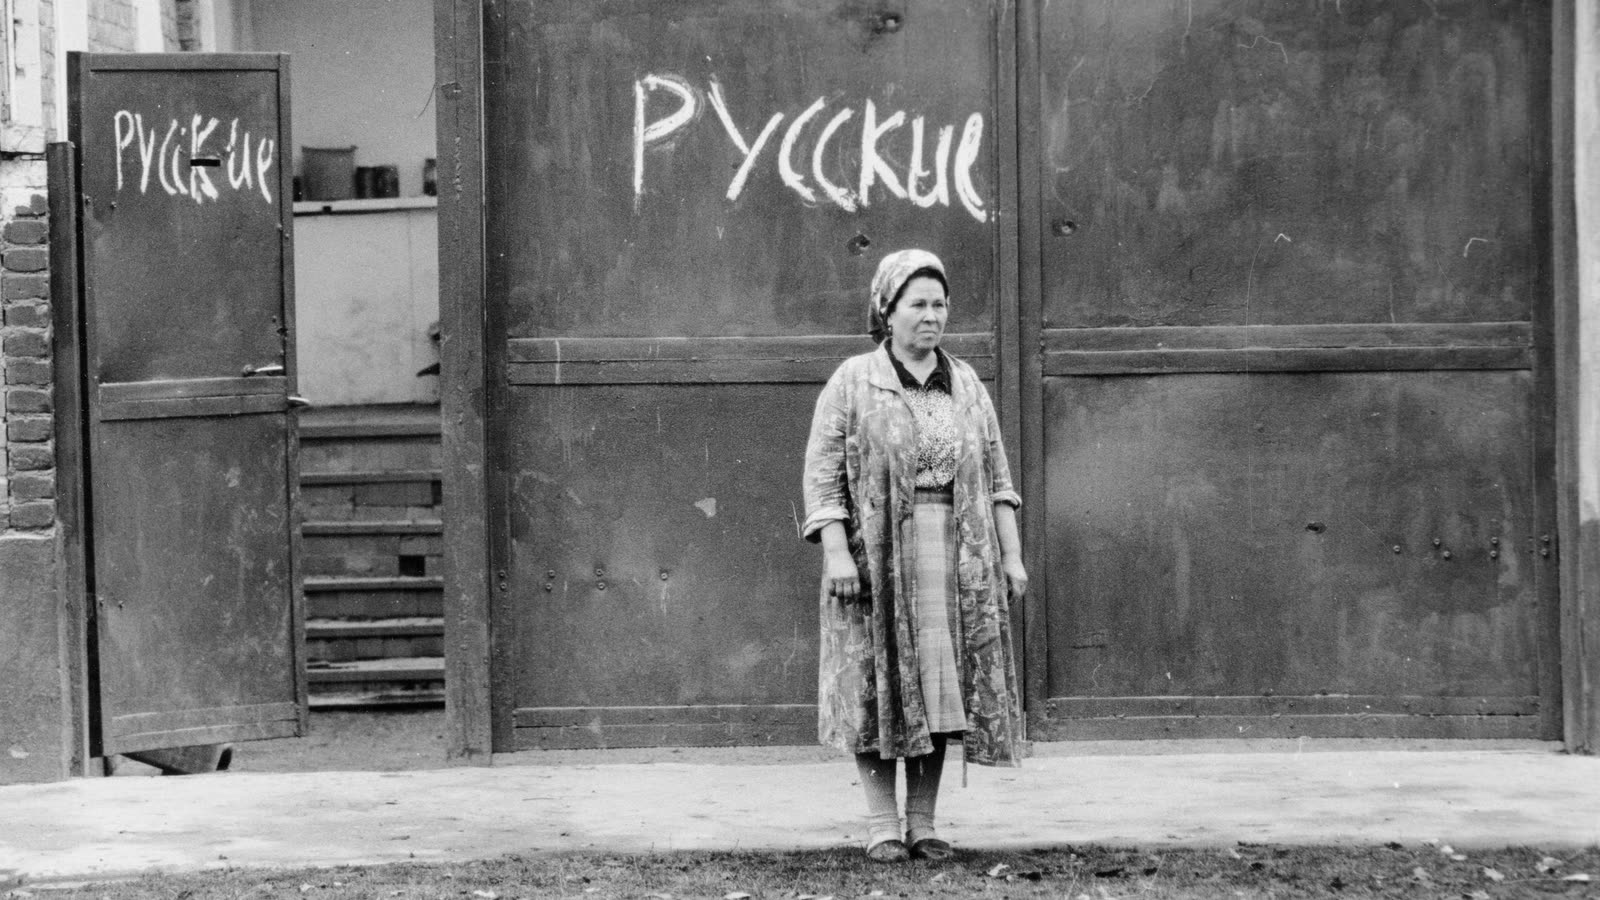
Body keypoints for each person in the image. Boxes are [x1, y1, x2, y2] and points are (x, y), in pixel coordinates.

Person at [801, 248, 1028, 862]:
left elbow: (999, 480)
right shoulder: (854, 379)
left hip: (956, 553)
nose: (932, 316)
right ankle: (882, 824)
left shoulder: (967, 383)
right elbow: (823, 479)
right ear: (887, 309)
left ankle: (923, 824)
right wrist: (837, 555)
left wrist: (1010, 557)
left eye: (940, 304)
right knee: (877, 687)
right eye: (918, 304)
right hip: (876, 558)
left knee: (939, 688)